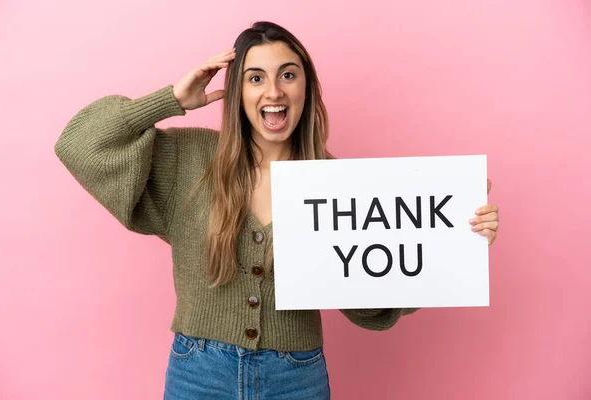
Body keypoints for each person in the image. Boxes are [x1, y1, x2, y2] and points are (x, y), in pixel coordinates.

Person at [54, 21, 500, 400]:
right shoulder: (188, 160)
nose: (273, 91)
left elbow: (371, 309)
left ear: (306, 85)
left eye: (288, 75)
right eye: (255, 78)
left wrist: (454, 242)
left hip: (297, 377)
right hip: (198, 375)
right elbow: (81, 144)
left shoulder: (341, 185)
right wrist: (171, 99)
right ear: (236, 91)